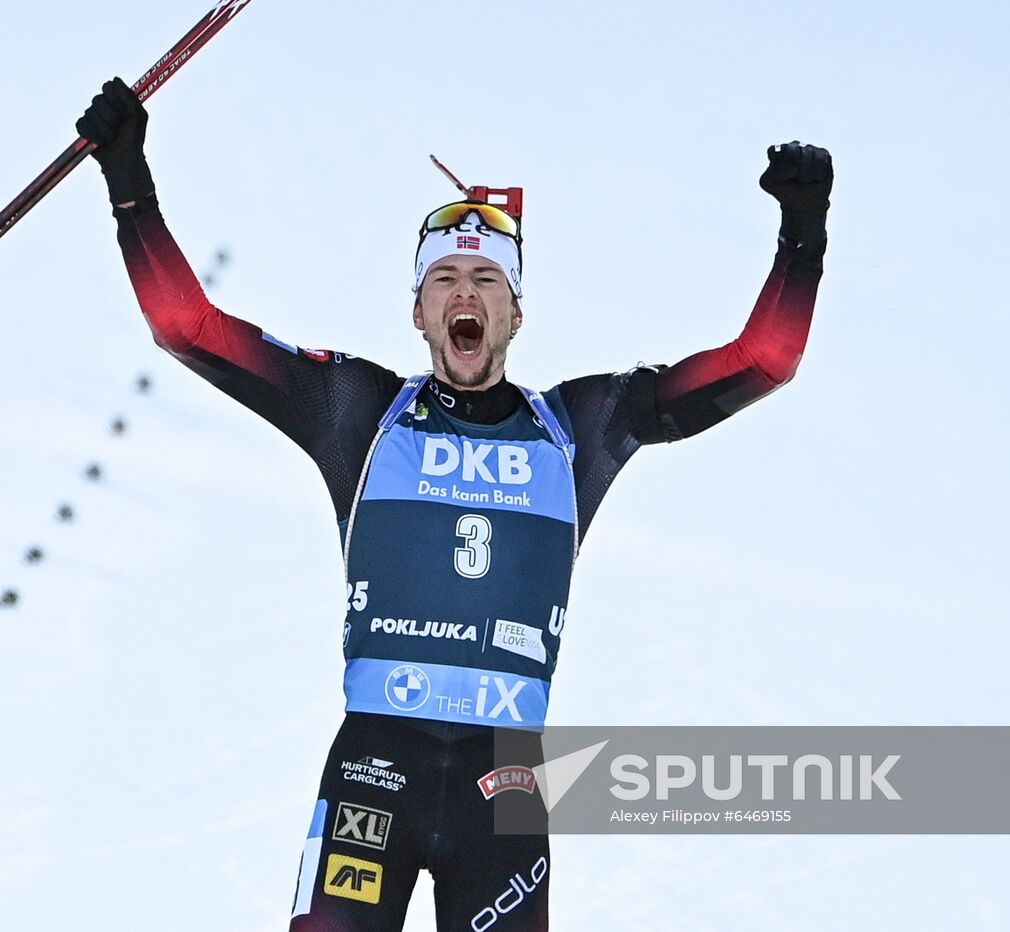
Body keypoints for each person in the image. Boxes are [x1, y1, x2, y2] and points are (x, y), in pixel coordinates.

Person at [77, 77, 832, 932]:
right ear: (419, 311)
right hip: (374, 766)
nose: (465, 292)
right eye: (445, 279)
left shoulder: (579, 426)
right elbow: (187, 327)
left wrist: (802, 234)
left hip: (502, 787)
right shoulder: (356, 410)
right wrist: (129, 180)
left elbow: (765, 360)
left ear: (515, 312)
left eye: (485, 279)